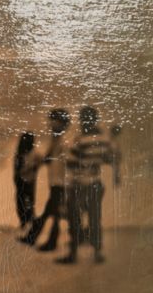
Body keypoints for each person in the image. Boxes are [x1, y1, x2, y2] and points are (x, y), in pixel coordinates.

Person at [56, 106, 113, 264]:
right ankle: (97, 253)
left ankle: (73, 254)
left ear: (84, 121)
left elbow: (71, 162)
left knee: (74, 219)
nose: (81, 123)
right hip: (95, 183)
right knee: (95, 219)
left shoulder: (81, 139)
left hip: (78, 184)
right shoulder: (104, 139)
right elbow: (108, 158)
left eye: (82, 119)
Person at [19, 109, 70, 250]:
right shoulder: (56, 140)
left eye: (54, 120)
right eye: (51, 120)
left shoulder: (64, 141)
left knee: (50, 213)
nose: (50, 124)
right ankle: (42, 240)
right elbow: (48, 159)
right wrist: (32, 167)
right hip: (55, 182)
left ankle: (40, 240)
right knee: (53, 213)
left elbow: (65, 161)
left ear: (62, 123)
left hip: (61, 182)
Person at [13, 131, 40, 230]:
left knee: (23, 203)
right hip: (27, 181)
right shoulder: (32, 154)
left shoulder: (22, 154)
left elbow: (17, 171)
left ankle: (26, 223)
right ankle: (27, 223)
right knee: (26, 203)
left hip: (25, 181)